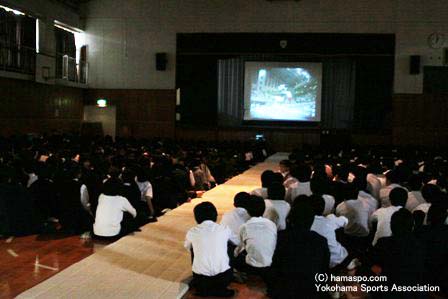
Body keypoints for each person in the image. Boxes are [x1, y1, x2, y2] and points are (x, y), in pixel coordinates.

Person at [270, 198, 330, 299]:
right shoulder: (321, 240)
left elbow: (275, 265)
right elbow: (324, 270)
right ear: (311, 221)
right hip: (312, 291)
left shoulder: (280, 237)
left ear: (290, 220)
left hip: (285, 290)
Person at [369, 209, 426, 299]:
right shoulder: (420, 244)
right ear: (412, 226)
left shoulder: (383, 243)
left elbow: (371, 265)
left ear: (391, 226)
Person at [184, 202, 234, 297]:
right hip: (224, 277)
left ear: (196, 218)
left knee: (193, 247)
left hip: (201, 279)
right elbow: (236, 242)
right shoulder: (224, 229)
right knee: (229, 244)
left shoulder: (192, 232)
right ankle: (221, 289)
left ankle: (203, 289)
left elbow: (187, 247)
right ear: (215, 215)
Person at [234, 195, 277, 281]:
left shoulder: (245, 226)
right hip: (270, 265)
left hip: (252, 267)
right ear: (264, 209)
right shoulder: (271, 224)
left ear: (247, 211)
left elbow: (239, 247)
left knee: (235, 254)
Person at [310, 194, 349, 268]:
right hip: (336, 259)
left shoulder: (305, 222)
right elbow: (345, 221)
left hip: (315, 261)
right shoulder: (330, 219)